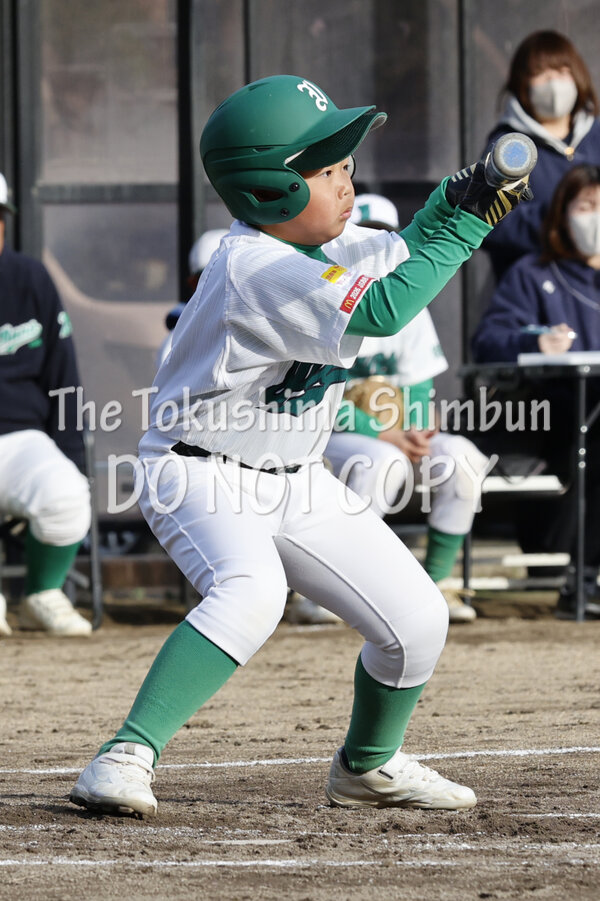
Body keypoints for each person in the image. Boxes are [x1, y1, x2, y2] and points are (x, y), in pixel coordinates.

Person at [69, 74, 531, 818]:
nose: (346, 183)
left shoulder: (325, 242)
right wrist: (467, 228)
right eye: (325, 171)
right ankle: (123, 755)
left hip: (296, 475)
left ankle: (367, 766)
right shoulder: (251, 265)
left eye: (346, 165)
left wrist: (454, 202)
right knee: (253, 591)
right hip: (198, 472)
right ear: (269, 188)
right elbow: (385, 306)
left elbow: (400, 253)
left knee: (418, 618)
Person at [324, 194, 490, 624]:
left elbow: (418, 388)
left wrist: (416, 430)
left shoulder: (408, 305)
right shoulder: (323, 301)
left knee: (464, 459)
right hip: (322, 440)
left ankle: (436, 587)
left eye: (379, 239)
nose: (369, 250)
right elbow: (314, 401)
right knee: (380, 460)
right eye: (359, 240)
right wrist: (385, 434)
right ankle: (331, 592)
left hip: (394, 438)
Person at [472, 163, 600, 619]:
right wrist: (533, 342)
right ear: (562, 213)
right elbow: (487, 342)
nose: (595, 218)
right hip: (554, 412)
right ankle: (584, 577)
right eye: (586, 206)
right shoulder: (533, 273)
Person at [0, 172, 92, 637]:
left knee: (66, 493)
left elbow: (63, 377)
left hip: (22, 438)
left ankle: (42, 593)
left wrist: (75, 460)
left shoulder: (29, 277)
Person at [483, 30, 600, 282]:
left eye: (562, 72)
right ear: (522, 83)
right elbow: (487, 221)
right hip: (537, 287)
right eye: (542, 74)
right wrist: (558, 221)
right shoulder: (509, 147)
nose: (554, 84)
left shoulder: (596, 134)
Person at [157, 229, 229, 367]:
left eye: (225, 277)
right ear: (193, 283)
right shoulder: (177, 344)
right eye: (205, 278)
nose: (216, 286)